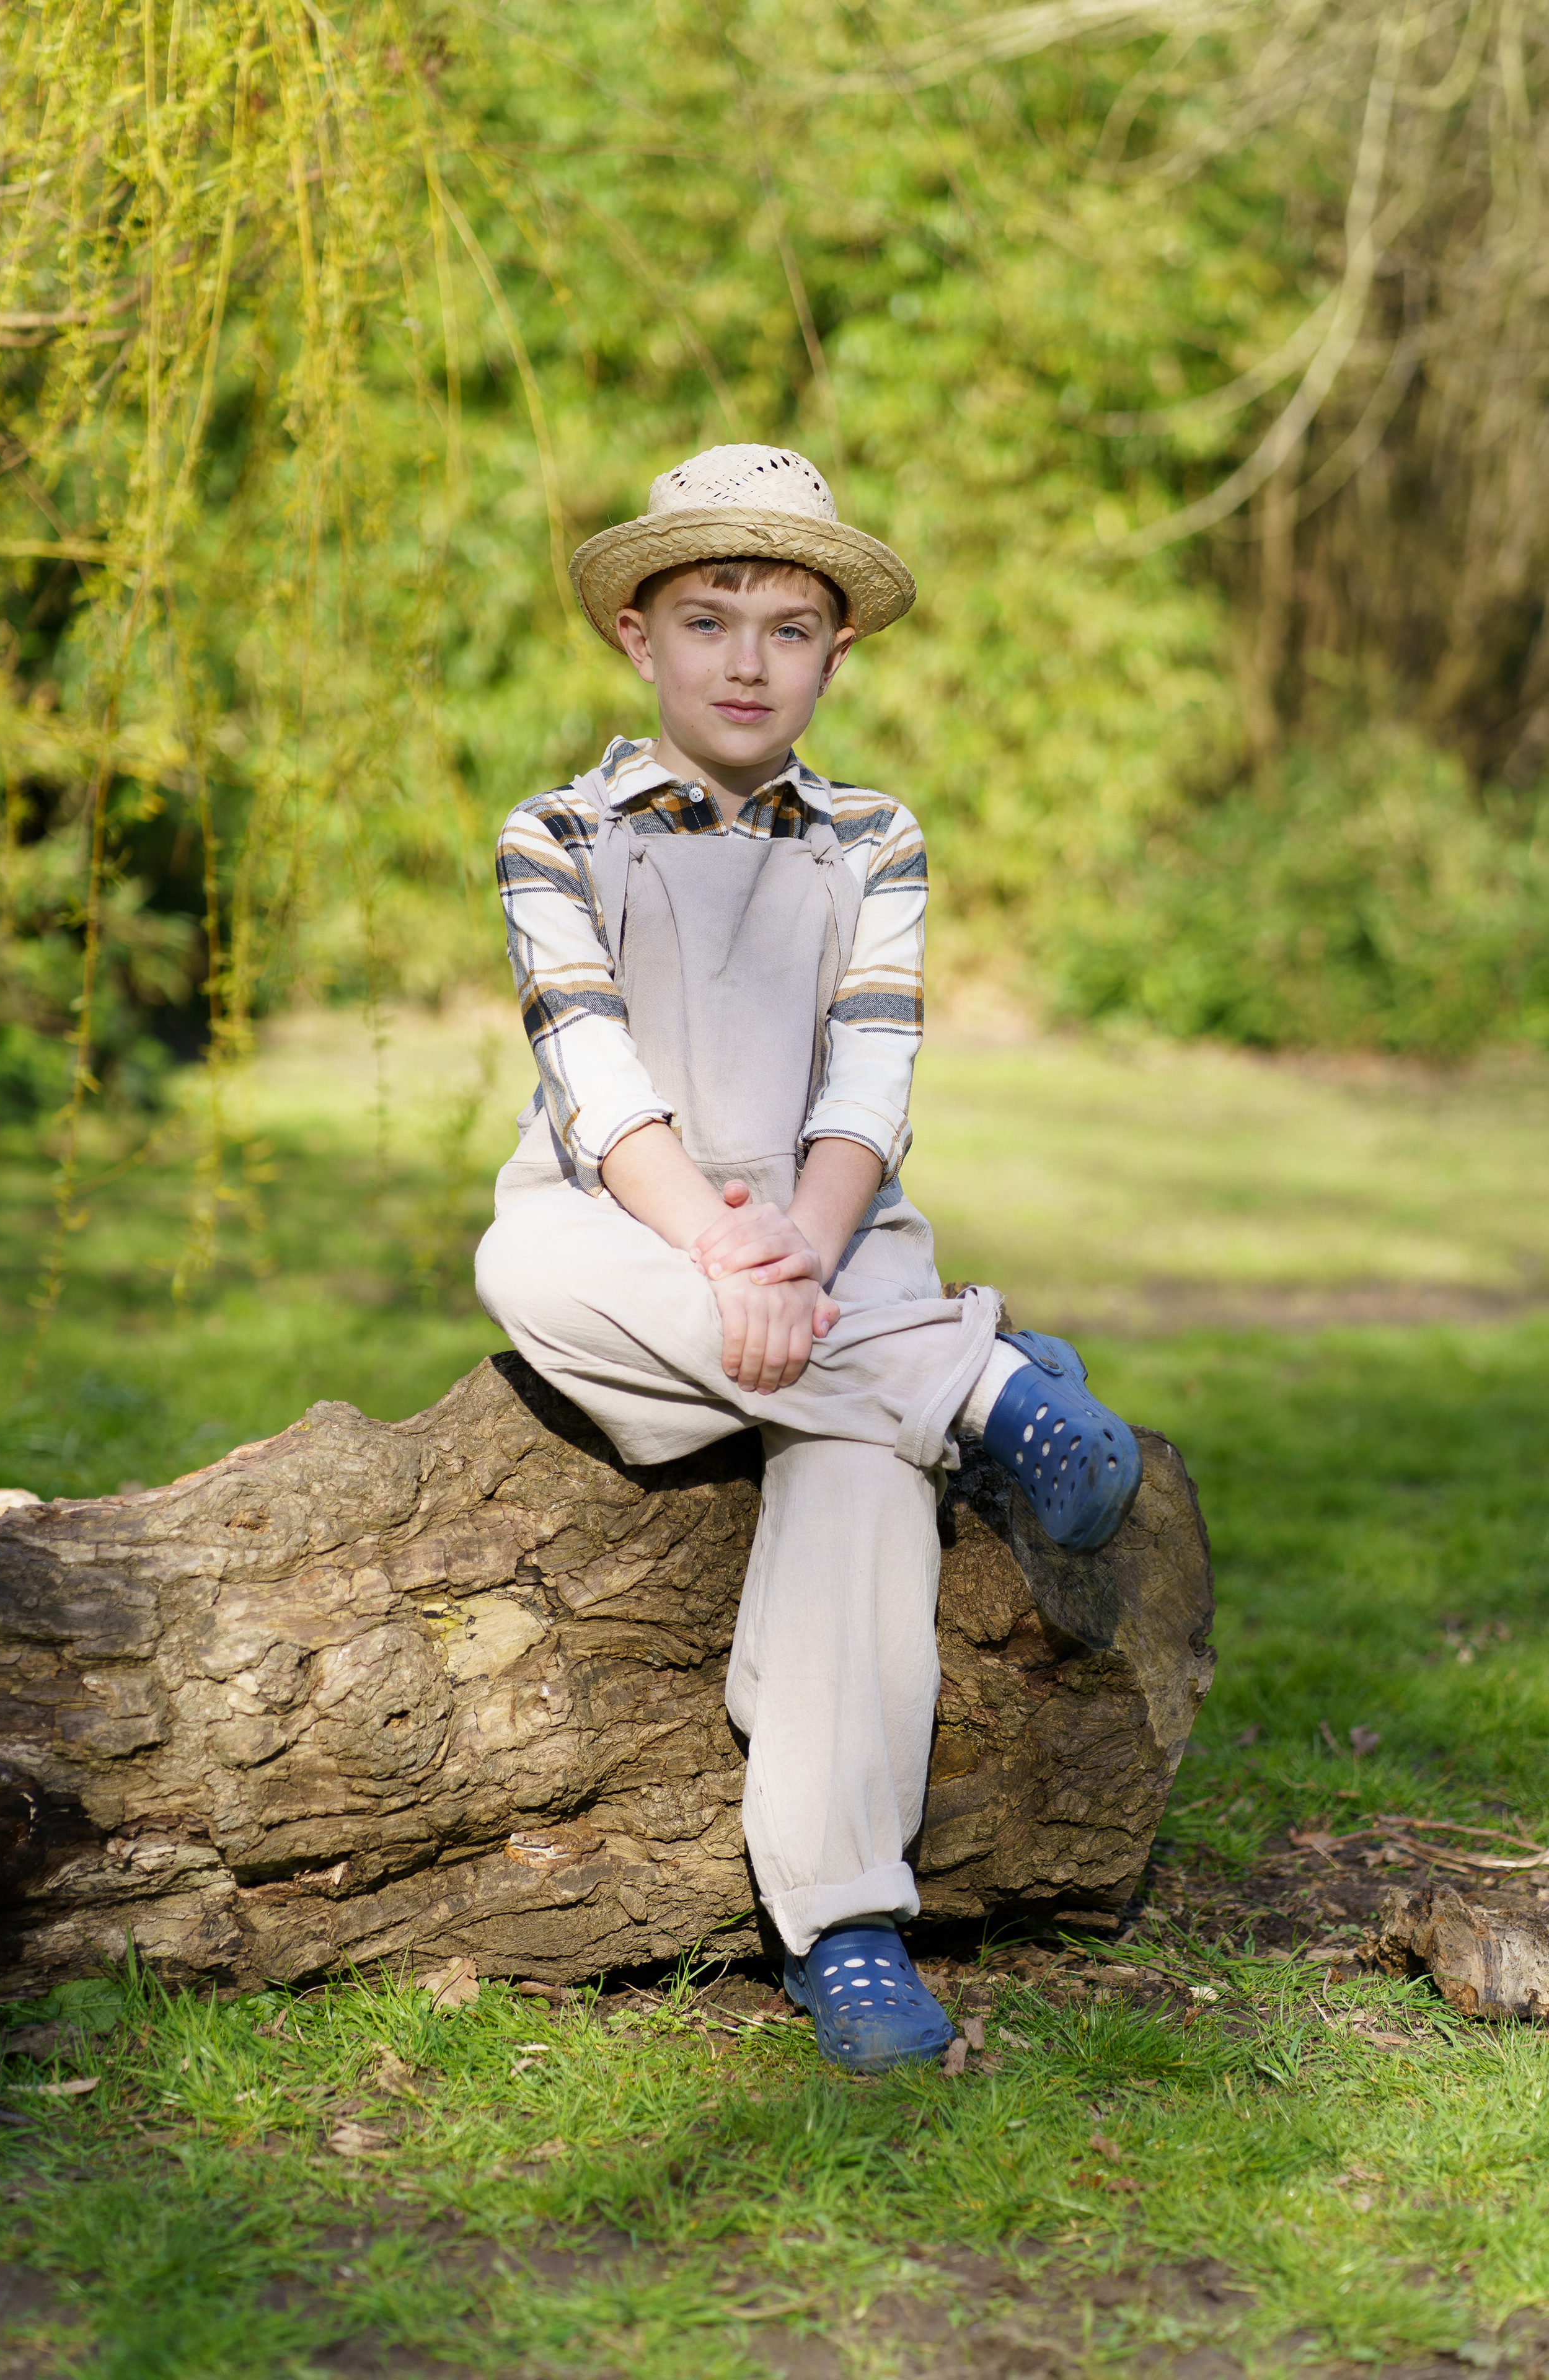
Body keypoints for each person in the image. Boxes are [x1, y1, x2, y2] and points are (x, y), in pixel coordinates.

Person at [476, 444, 1142, 2072]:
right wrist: (723, 1248)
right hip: (633, 1236)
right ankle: (975, 1389)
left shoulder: (874, 839)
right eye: (712, 620)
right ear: (640, 636)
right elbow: (594, 1075)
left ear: (838, 651)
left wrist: (806, 1257)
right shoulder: (556, 830)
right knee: (523, 1273)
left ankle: (844, 1926)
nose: (751, 659)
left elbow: (871, 1081)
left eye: (790, 626)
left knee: (851, 1480)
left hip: (837, 1242)